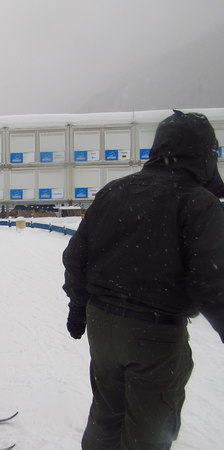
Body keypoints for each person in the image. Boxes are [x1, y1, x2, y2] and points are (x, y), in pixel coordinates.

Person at [63, 110, 224, 450]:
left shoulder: (115, 191)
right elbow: (212, 281)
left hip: (102, 324)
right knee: (148, 432)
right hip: (155, 335)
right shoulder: (198, 202)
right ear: (203, 153)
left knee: (106, 416)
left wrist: (78, 308)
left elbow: (76, 256)